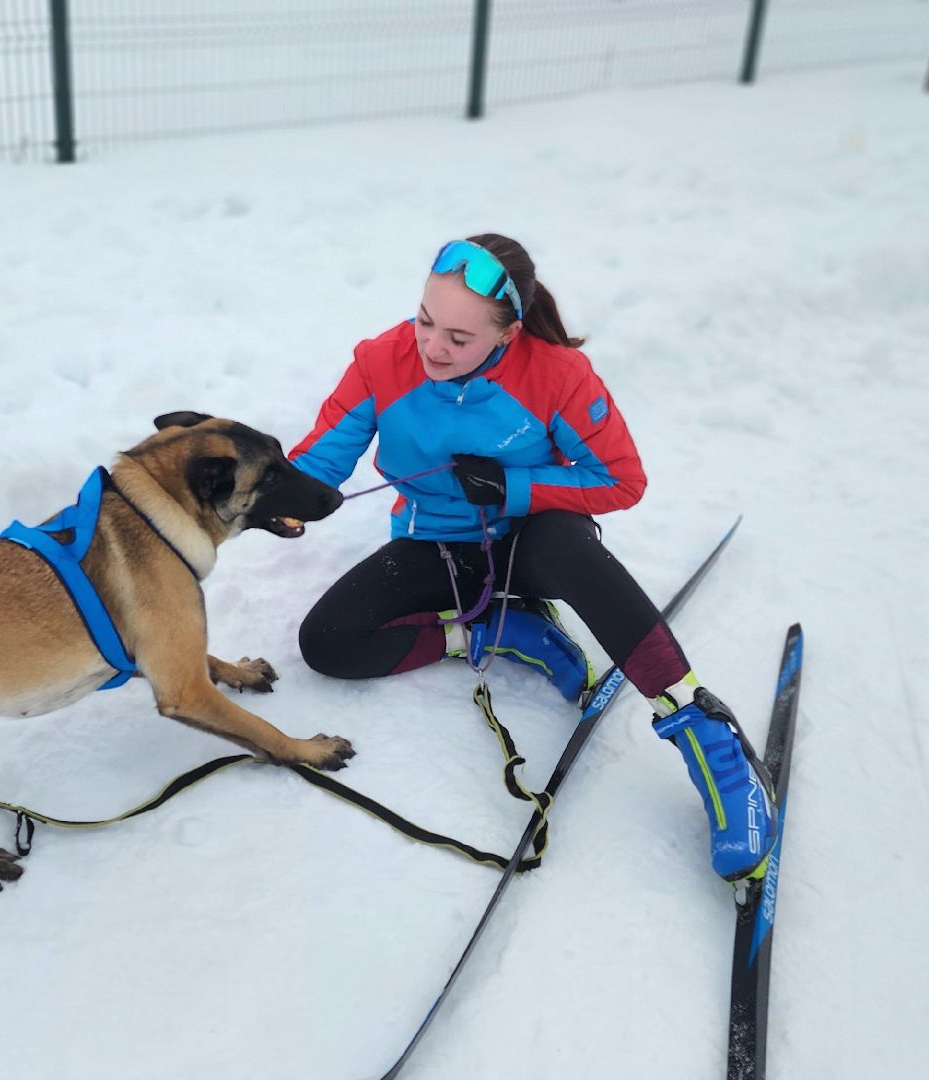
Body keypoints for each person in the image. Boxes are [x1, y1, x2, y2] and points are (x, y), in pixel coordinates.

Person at [288, 234, 774, 882]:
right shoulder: (385, 361)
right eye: (425, 321)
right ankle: (499, 630)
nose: (432, 347)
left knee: (567, 546)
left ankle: (710, 737)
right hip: (438, 540)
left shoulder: (555, 376)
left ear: (508, 332)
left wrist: (514, 487)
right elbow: (319, 461)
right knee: (326, 642)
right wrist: (263, 493)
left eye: (459, 338)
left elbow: (620, 481)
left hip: (534, 541)